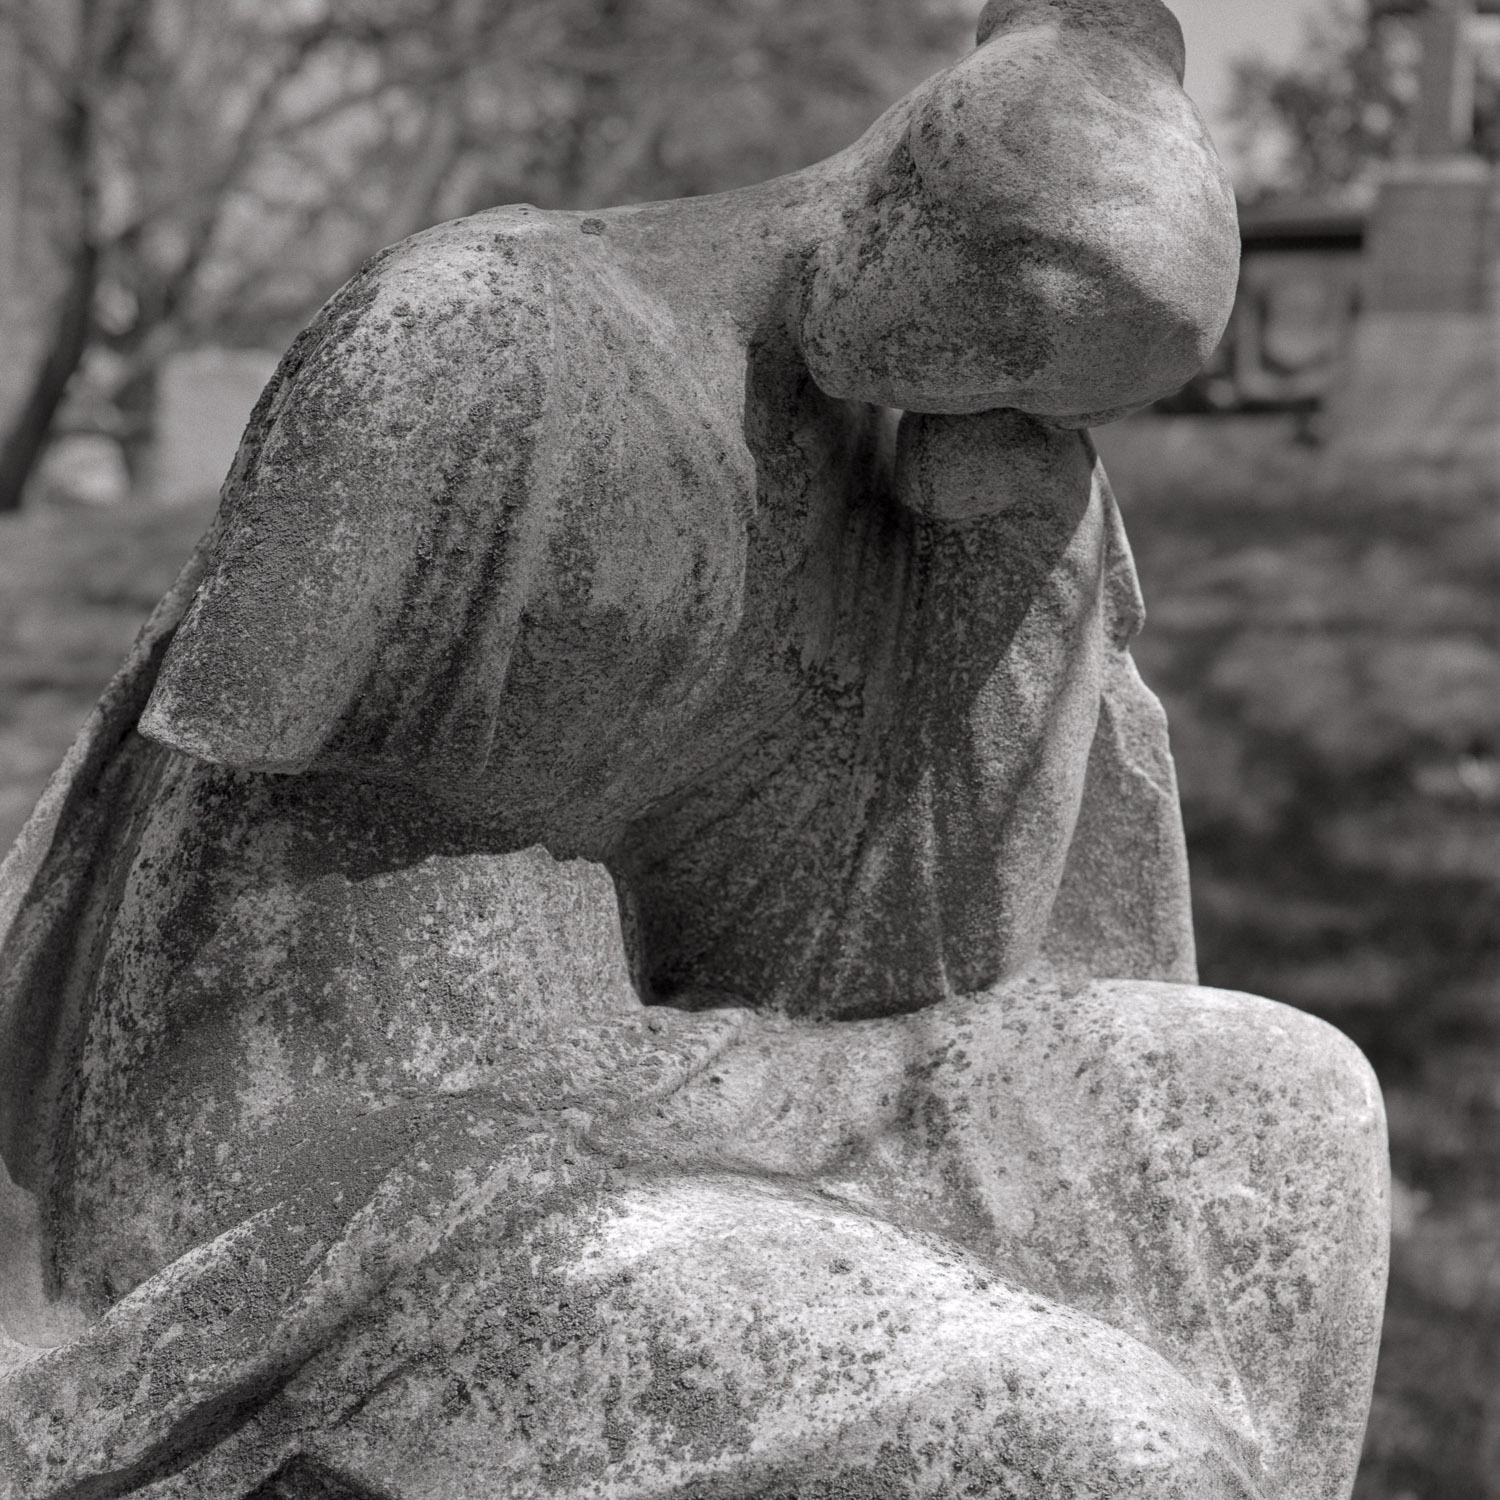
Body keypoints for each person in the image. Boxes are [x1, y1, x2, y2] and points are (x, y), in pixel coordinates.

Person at [0, 4, 1386, 1496]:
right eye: (1020, 322)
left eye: (1080, 388)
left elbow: (931, 966)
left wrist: (1009, 571)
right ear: (914, 208)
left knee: (1287, 1105)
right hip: (345, 1167)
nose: (1026, 391)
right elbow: (175, 872)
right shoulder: (484, 347)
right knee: (1102, 1450)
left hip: (663, 1080)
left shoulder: (956, 468)